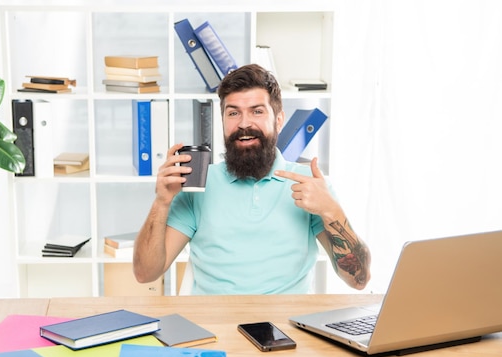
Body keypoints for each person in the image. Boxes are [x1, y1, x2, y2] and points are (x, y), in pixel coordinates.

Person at [133, 64, 371, 294]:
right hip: (216, 326)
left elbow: (358, 280)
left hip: (285, 327)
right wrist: (161, 201)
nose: (244, 123)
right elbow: (145, 274)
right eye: (233, 113)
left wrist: (331, 211)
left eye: (257, 111)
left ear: (278, 120)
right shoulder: (201, 183)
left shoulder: (309, 183)